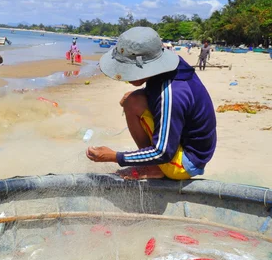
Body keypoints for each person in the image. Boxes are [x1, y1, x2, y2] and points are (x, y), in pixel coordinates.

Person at [86, 27, 217, 180]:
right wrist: (141, 92)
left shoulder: (170, 95)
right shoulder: (171, 70)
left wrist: (115, 156)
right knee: (133, 97)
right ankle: (152, 165)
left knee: (132, 103)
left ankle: (153, 168)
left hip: (187, 162)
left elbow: (163, 153)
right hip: (191, 145)